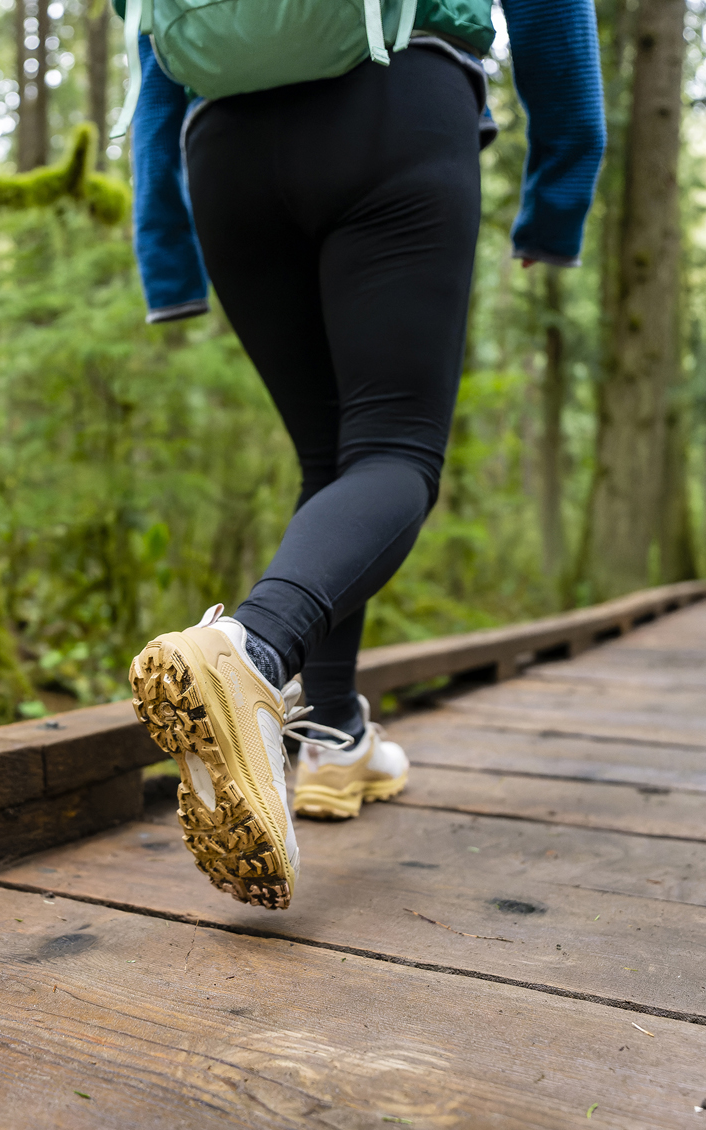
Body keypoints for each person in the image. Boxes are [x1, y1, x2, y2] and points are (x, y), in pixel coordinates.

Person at [123, 0, 604, 910]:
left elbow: (156, 43)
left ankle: (334, 735)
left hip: (223, 148)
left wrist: (167, 250)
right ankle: (251, 651)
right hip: (397, 103)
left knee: (331, 461)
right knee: (394, 452)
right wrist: (559, 189)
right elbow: (551, 13)